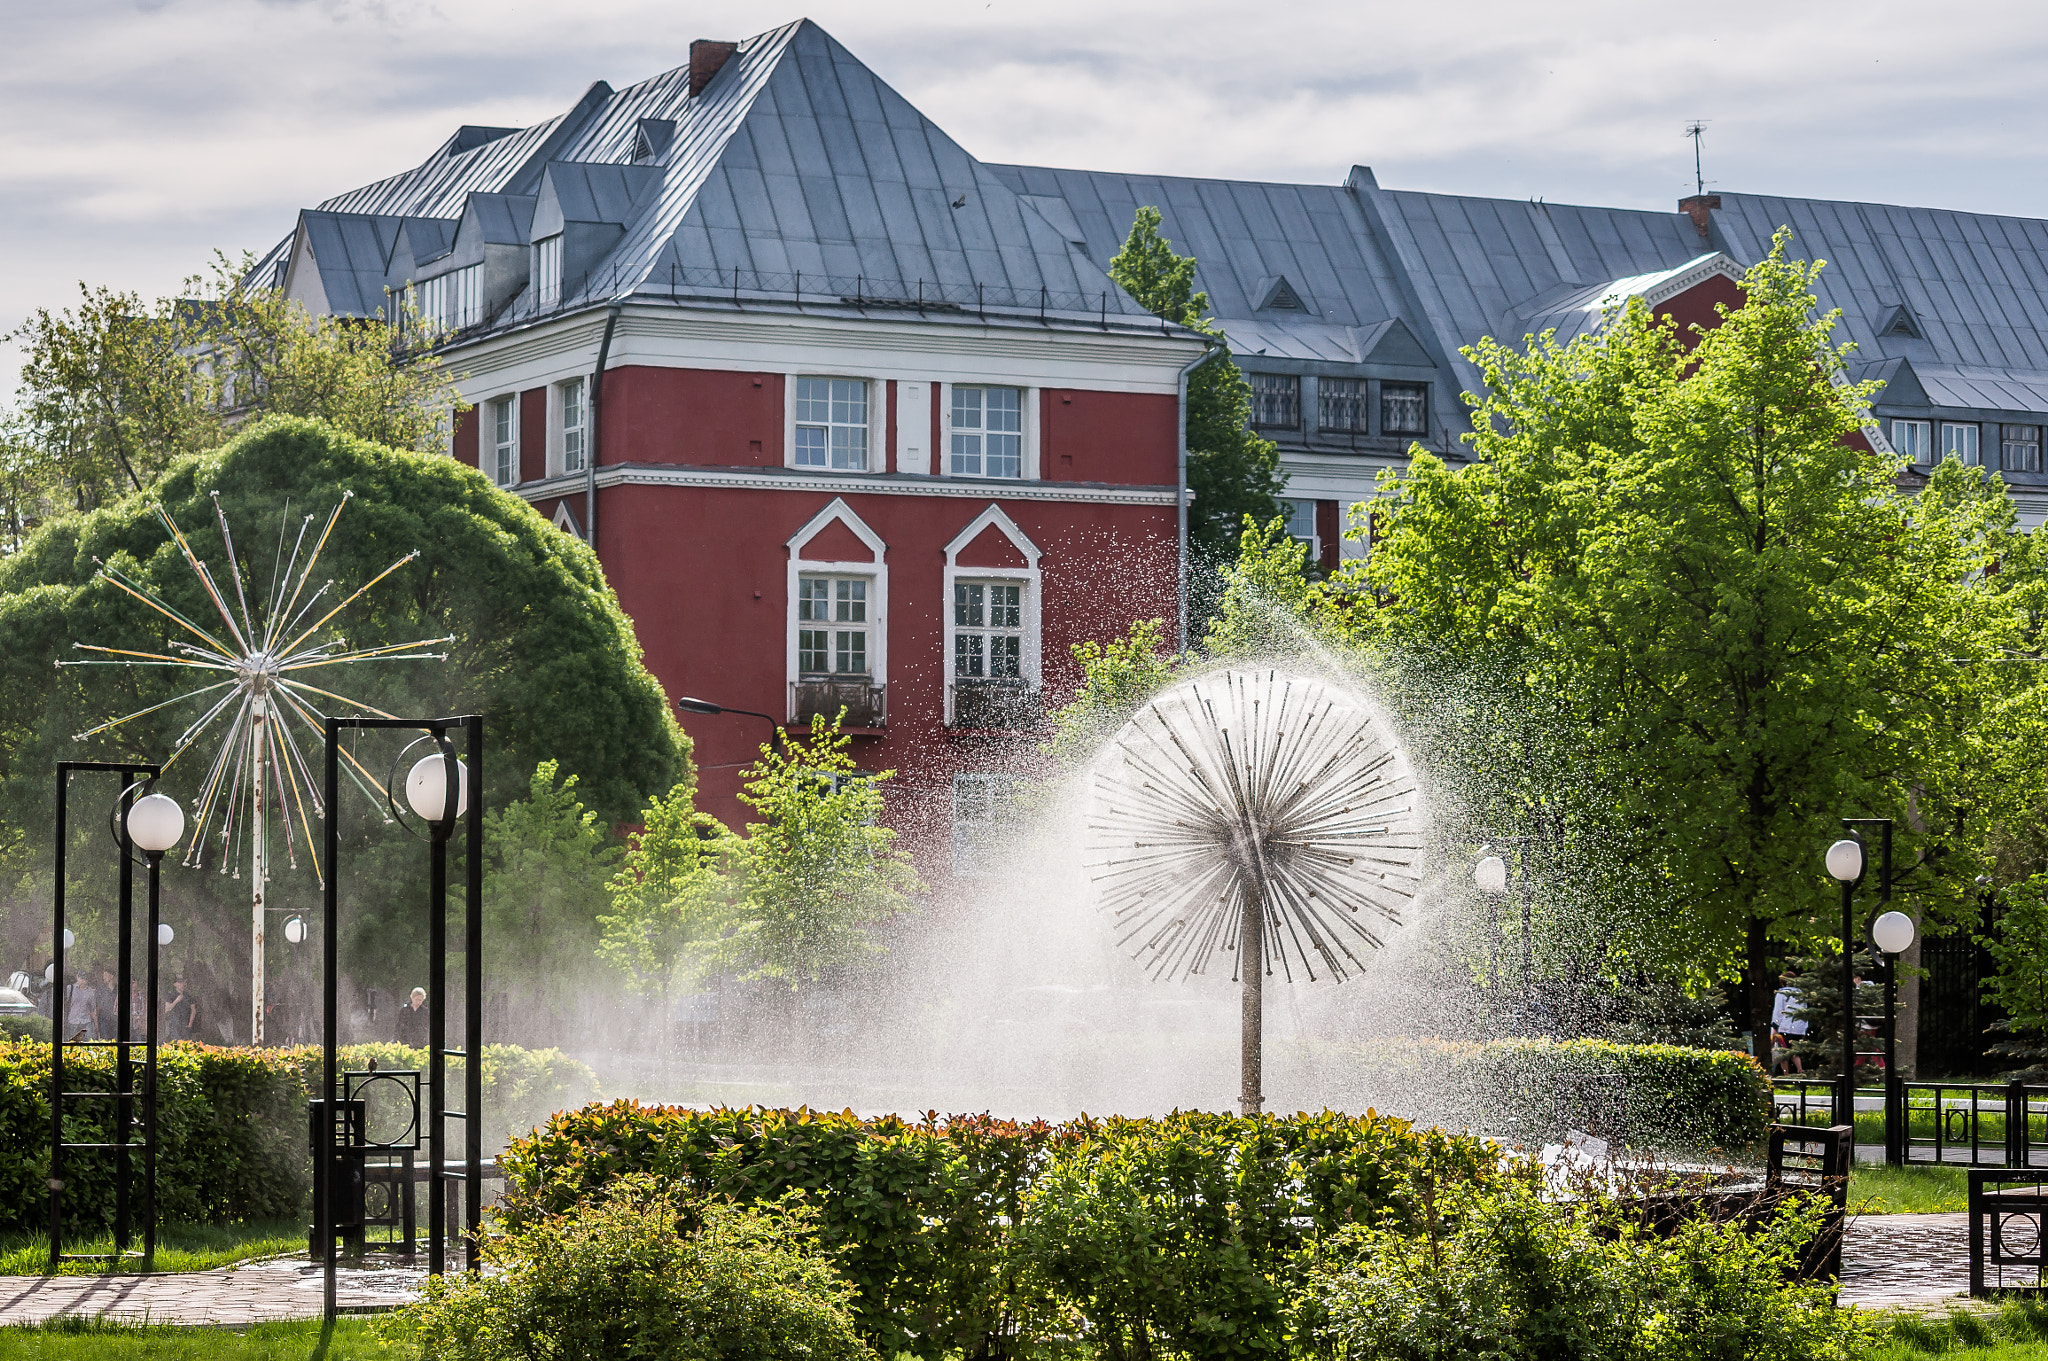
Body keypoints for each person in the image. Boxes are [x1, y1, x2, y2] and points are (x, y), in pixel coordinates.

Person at [64, 972, 97, 1041]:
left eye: (84, 979)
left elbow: (93, 1008)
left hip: (86, 1021)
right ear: (77, 978)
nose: (83, 981)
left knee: (88, 1043)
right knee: (73, 1043)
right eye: (81, 978)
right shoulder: (70, 988)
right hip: (73, 1021)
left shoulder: (90, 991)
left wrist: (96, 1024)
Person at [163, 977, 196, 1042]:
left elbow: (193, 1010)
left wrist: (190, 1024)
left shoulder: (188, 995)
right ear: (175, 984)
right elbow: (167, 1009)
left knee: (186, 1043)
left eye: (183, 982)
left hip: (185, 1024)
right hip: (174, 1024)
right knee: (176, 1042)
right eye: (179, 982)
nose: (182, 984)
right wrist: (176, 1000)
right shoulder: (171, 995)